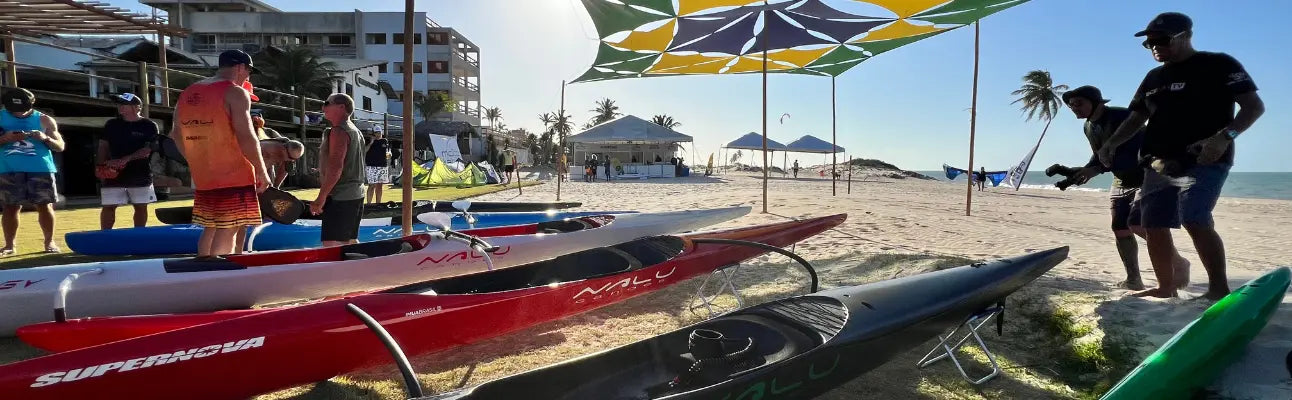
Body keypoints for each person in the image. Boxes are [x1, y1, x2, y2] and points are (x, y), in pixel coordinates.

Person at [1098, 12, 1264, 299]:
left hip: (1204, 158)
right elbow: (1137, 117)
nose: (1155, 47)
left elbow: (1253, 107)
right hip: (1158, 161)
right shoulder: (1154, 77)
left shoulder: (1218, 65)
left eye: (1162, 40)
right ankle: (1166, 287)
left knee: (1195, 217)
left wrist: (1226, 137)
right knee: (1154, 224)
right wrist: (1111, 143)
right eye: (1149, 43)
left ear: (1185, 36)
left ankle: (1218, 289)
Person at [1063, 85, 1190, 291]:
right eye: (1070, 105)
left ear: (1096, 102)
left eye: (1079, 103)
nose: (1074, 108)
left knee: (1140, 225)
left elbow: (1149, 142)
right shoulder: (1088, 127)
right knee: (1120, 229)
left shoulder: (1123, 116)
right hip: (1121, 180)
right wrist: (1087, 172)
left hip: (1149, 175)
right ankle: (1134, 279)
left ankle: (1178, 263)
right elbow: (1101, 157)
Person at [172, 49, 273, 259]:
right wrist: (261, 171)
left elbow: (175, 134)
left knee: (211, 225)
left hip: (204, 173)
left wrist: (193, 160)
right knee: (231, 225)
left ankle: (203, 270)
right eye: (249, 71)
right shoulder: (235, 92)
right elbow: (246, 135)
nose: (248, 77)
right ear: (240, 67)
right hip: (233, 171)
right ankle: (219, 274)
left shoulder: (188, 92)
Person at [0, 88, 65, 255]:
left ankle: (49, 243)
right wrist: (5, 138)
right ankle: (9, 245)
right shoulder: (0, 116)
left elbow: (61, 146)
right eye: (13, 110)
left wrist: (45, 138)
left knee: (44, 205)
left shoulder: (44, 119)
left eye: (21, 110)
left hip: (40, 168)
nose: (17, 113)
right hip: (8, 169)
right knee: (10, 206)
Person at [311, 93, 367, 247]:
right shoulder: (355, 130)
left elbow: (336, 167)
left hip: (341, 195)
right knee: (349, 241)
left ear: (341, 107)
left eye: (327, 103)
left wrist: (321, 197)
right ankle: (363, 268)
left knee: (332, 244)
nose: (323, 107)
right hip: (355, 193)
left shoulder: (340, 131)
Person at [98, 93, 160, 230]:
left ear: (137, 107)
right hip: (113, 173)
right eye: (119, 103)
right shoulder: (111, 124)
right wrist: (100, 166)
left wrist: (125, 159)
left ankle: (139, 235)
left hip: (140, 173)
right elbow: (103, 146)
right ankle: (105, 237)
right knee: (109, 206)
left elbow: (148, 149)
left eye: (123, 104)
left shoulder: (149, 125)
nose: (120, 106)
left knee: (140, 206)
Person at [364, 127, 390, 204]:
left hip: (382, 166)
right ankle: (369, 204)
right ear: (373, 134)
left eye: (379, 132)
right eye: (376, 133)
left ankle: (378, 204)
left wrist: (389, 154)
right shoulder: (368, 140)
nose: (378, 134)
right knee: (371, 186)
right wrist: (371, 142)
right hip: (371, 166)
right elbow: (364, 150)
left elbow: (388, 151)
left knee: (379, 186)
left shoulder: (385, 141)